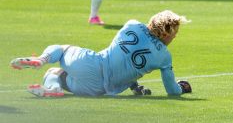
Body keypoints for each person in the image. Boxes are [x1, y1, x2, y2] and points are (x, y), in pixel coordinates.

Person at [10, 10, 192, 98]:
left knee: (60, 56)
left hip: (92, 65)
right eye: (175, 34)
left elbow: (122, 56)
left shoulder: (132, 24)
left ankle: (43, 63)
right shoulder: (164, 57)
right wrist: (182, 88)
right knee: (58, 73)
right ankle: (54, 88)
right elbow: (171, 91)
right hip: (99, 89)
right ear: (167, 34)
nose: (175, 37)